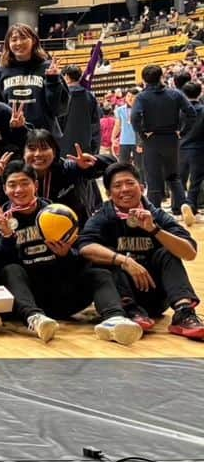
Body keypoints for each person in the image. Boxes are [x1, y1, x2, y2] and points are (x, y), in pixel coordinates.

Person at [0, 162, 141, 345]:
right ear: (4, 189)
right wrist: (7, 237)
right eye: (12, 185)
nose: (19, 189)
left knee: (100, 274)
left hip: (62, 292)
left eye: (25, 183)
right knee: (11, 270)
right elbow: (0, 268)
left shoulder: (59, 214)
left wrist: (66, 254)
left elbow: (80, 261)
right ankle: (35, 319)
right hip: (27, 298)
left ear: (35, 186)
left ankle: (114, 320)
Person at [78, 162, 204, 340]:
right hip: (121, 296)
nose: (125, 189)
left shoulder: (158, 215)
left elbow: (189, 252)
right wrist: (124, 260)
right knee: (106, 257)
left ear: (142, 187)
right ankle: (129, 310)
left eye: (130, 183)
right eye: (117, 185)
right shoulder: (103, 217)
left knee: (167, 253)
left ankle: (184, 313)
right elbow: (85, 247)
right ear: (108, 194)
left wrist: (154, 230)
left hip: (156, 294)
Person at [131, 63, 193, 219]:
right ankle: (181, 206)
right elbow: (191, 113)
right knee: (174, 176)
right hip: (172, 138)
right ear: (161, 77)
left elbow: (134, 118)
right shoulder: (175, 94)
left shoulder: (142, 97)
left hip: (152, 139)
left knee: (153, 177)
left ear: (144, 79)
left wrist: (143, 134)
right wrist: (183, 132)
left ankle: (155, 213)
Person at [0, 23, 68, 137]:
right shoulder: (0, 72)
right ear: (8, 44)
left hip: (45, 138)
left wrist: (53, 81)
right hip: (13, 138)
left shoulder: (48, 69)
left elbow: (60, 110)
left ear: (34, 40)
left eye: (24, 38)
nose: (19, 43)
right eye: (14, 39)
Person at [58, 65, 102, 156]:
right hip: (85, 148)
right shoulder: (90, 97)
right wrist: (95, 148)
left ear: (66, 76)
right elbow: (95, 125)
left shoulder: (61, 96)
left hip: (62, 148)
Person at [180, 81, 204, 219]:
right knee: (196, 181)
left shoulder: (180, 110)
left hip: (180, 148)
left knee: (179, 179)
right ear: (200, 93)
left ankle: (179, 205)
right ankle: (190, 205)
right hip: (199, 149)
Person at [111, 86, 139, 168]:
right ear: (125, 97)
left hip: (137, 142)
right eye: (128, 96)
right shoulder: (119, 110)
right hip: (124, 141)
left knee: (139, 166)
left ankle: (140, 180)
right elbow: (117, 125)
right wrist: (113, 138)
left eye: (133, 97)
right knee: (123, 165)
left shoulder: (140, 109)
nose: (130, 98)